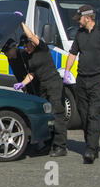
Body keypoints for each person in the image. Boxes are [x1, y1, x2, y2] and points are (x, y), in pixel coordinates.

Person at [63, 5, 100, 164]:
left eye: (79, 18)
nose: (78, 22)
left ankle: (91, 150)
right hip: (82, 80)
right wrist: (67, 71)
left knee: (94, 113)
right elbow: (73, 53)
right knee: (84, 114)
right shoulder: (79, 34)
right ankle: (92, 143)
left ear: (87, 17)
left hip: (98, 80)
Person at [13, 21, 68, 157]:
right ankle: (48, 145)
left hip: (53, 83)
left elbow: (31, 36)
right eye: (23, 46)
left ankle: (61, 146)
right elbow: (32, 74)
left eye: (26, 45)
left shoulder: (41, 48)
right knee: (46, 117)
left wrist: (21, 23)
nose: (25, 48)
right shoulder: (30, 57)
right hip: (43, 85)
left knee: (57, 114)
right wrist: (22, 83)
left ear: (32, 43)